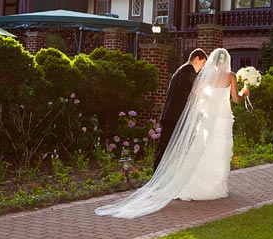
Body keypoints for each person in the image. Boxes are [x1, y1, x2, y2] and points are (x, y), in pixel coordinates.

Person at [95, 48, 248, 218]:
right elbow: (236, 99)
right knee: (217, 151)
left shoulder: (205, 77)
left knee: (201, 151)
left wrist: (204, 103)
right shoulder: (230, 76)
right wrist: (245, 91)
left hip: (206, 117)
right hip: (221, 118)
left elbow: (195, 94)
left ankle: (191, 185)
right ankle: (209, 187)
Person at [152, 48, 207, 171]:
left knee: (171, 147)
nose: (202, 68)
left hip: (175, 115)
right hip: (174, 116)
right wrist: (198, 88)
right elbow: (185, 86)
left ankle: (166, 174)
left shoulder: (185, 69)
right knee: (164, 147)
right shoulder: (188, 69)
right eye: (203, 63)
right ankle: (157, 175)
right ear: (197, 58)